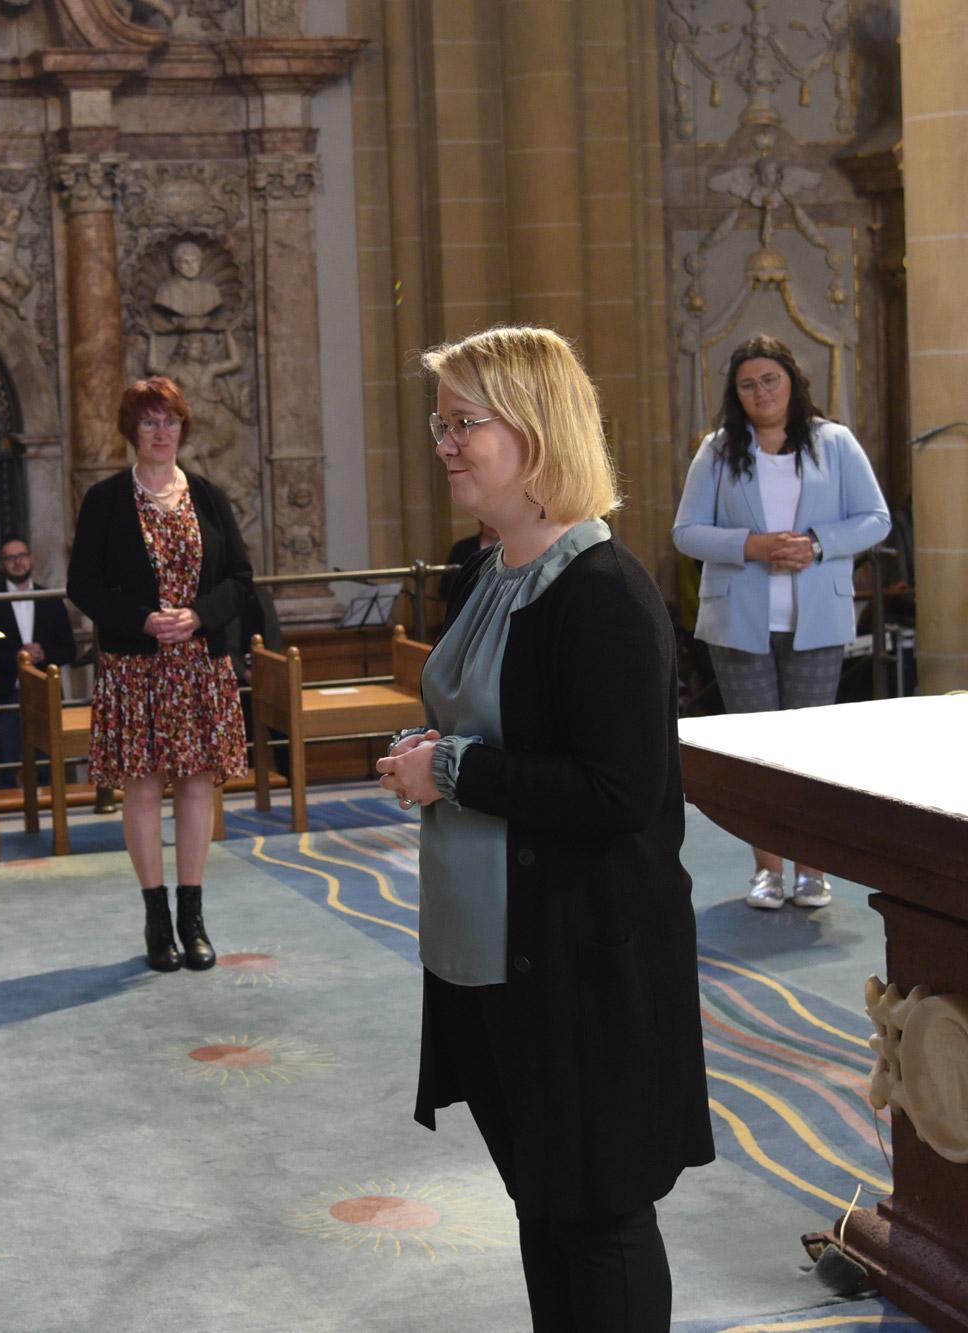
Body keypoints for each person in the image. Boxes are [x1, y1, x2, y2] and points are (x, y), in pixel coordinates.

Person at [376, 326, 712, 1331]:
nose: (444, 443)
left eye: (464, 423)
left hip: (580, 957)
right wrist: (435, 747)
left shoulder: (603, 592)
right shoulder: (488, 574)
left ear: (535, 430)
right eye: (439, 423)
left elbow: (617, 790)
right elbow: (498, 722)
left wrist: (447, 768)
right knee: (543, 1201)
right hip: (494, 953)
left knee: (597, 1214)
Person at [671, 334, 889, 910]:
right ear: (735, 393)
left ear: (792, 382)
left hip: (817, 620)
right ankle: (767, 870)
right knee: (758, 755)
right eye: (748, 384)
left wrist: (817, 543)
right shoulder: (717, 450)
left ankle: (812, 869)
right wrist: (752, 545)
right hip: (739, 623)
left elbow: (876, 518)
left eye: (770, 380)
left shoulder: (834, 442)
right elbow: (686, 532)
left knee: (811, 753)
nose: (761, 392)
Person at [67, 375, 253, 975]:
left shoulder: (209, 497)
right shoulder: (105, 501)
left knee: (197, 785)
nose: (161, 431)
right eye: (149, 421)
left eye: (169, 420)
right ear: (132, 430)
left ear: (183, 427)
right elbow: (83, 585)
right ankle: (156, 918)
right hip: (136, 668)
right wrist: (143, 619)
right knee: (143, 787)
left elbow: (241, 581)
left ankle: (192, 917)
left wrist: (198, 615)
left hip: (199, 666)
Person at [0, 534, 77, 785]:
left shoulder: (51, 599)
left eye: (22, 556)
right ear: (2, 564)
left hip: (44, 693)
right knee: (5, 763)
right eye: (10, 558)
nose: (18, 563)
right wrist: (17, 657)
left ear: (31, 559)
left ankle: (51, 807)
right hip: (6, 694)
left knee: (48, 764)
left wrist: (44, 654)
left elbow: (69, 650)